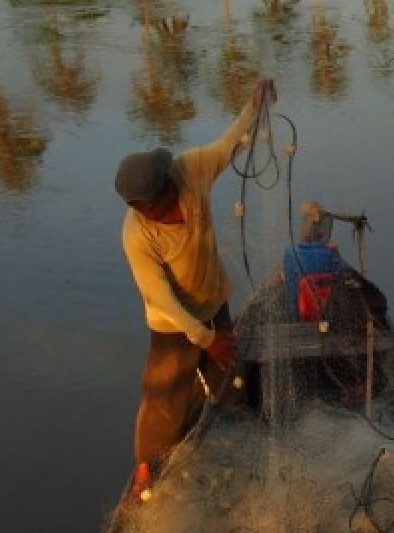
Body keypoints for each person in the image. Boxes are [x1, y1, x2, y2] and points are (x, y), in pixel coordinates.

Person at [115, 78, 277, 498]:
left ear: (170, 183)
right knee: (164, 398)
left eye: (164, 202)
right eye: (152, 211)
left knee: (230, 376)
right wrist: (204, 339)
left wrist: (253, 106)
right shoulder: (137, 236)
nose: (163, 213)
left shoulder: (190, 170)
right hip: (172, 323)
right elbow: (161, 298)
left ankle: (238, 439)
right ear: (138, 210)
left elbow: (227, 146)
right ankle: (146, 468)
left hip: (211, 299)